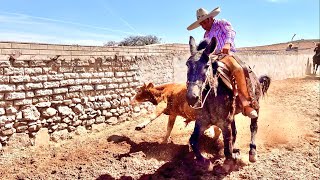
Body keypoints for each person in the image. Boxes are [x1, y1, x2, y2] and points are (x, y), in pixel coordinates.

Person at [187, 7, 258, 119]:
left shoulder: (221, 23)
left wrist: (228, 43)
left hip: (227, 55)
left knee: (238, 68)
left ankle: (247, 104)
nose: (203, 26)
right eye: (201, 24)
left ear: (210, 18)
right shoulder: (205, 35)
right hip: (213, 58)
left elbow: (231, 32)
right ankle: (202, 102)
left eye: (204, 22)